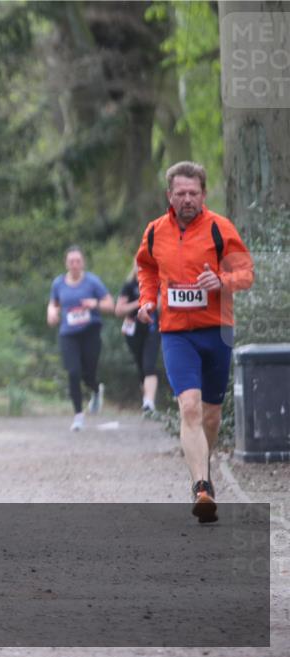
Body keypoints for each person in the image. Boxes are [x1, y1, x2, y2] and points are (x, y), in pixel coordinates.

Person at [135, 161, 253, 523]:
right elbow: (147, 268)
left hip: (217, 330)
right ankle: (201, 485)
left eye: (193, 193)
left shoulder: (220, 228)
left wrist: (223, 281)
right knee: (189, 406)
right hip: (175, 332)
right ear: (169, 195)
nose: (187, 199)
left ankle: (205, 465)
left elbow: (246, 272)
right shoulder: (155, 232)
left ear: (203, 194)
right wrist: (147, 300)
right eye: (180, 193)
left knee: (211, 414)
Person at [47, 246, 115, 431]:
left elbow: (111, 305)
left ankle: (95, 388)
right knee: (73, 372)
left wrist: (95, 303)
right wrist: (52, 313)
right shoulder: (58, 283)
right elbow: (53, 304)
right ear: (66, 263)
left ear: (82, 262)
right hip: (68, 334)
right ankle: (78, 415)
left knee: (88, 373)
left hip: (90, 332)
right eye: (71, 261)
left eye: (78, 261)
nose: (75, 265)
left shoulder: (92, 282)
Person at [116, 261, 161, 413]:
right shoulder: (129, 286)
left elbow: (160, 304)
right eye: (139, 264)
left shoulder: (157, 282)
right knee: (141, 367)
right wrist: (139, 302)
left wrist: (151, 302)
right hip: (132, 331)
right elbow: (119, 310)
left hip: (152, 328)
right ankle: (147, 402)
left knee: (149, 365)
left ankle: (149, 402)